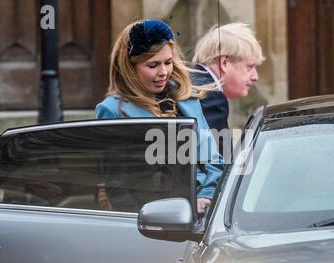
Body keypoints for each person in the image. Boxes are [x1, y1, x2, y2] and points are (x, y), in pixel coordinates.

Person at [95, 19, 222, 215]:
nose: (163, 72)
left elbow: (212, 159)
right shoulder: (112, 110)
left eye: (168, 62)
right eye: (153, 65)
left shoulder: (187, 98)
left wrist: (206, 195)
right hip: (146, 220)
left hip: (198, 215)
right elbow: (117, 186)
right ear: (130, 67)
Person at [191, 23, 264, 156]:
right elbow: (219, 167)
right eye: (249, 67)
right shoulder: (210, 97)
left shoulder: (193, 82)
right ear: (224, 62)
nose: (255, 77)